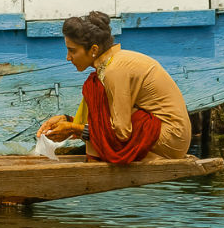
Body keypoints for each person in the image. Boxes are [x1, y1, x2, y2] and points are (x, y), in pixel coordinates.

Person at [38, 11, 192, 163]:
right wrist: (67, 120)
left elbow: (122, 133)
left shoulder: (114, 70)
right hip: (166, 133)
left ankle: (95, 160)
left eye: (72, 51)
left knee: (96, 89)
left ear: (93, 50)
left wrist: (73, 129)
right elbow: (106, 120)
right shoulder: (108, 66)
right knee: (94, 86)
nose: (68, 57)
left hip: (171, 139)